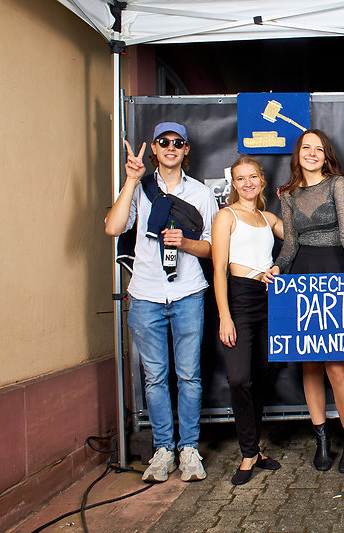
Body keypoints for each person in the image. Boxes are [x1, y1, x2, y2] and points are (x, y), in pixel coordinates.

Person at [105, 122, 218, 482]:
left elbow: (213, 247)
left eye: (178, 142)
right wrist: (131, 180)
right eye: (163, 142)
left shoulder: (201, 193)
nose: (171, 147)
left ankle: (189, 449)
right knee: (155, 378)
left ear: (186, 150)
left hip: (187, 292)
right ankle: (163, 449)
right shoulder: (140, 188)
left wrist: (185, 242)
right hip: (146, 295)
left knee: (189, 376)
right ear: (154, 148)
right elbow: (113, 228)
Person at [269, 129, 344, 474]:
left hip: (335, 270)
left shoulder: (337, 184)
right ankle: (322, 439)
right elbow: (290, 243)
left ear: (326, 155)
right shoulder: (288, 193)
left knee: (337, 365)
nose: (311, 153)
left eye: (318, 149)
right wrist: (277, 268)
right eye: (306, 148)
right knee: (309, 363)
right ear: (297, 154)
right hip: (302, 275)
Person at [211, 156, 284, 485]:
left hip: (269, 297)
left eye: (252, 177)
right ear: (234, 184)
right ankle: (248, 452)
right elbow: (219, 270)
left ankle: (255, 450)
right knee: (239, 378)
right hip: (239, 299)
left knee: (261, 375)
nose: (247, 183)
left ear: (262, 180)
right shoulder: (226, 216)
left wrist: (279, 266)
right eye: (240, 178)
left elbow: (299, 238)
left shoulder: (268, 218)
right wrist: (225, 316)